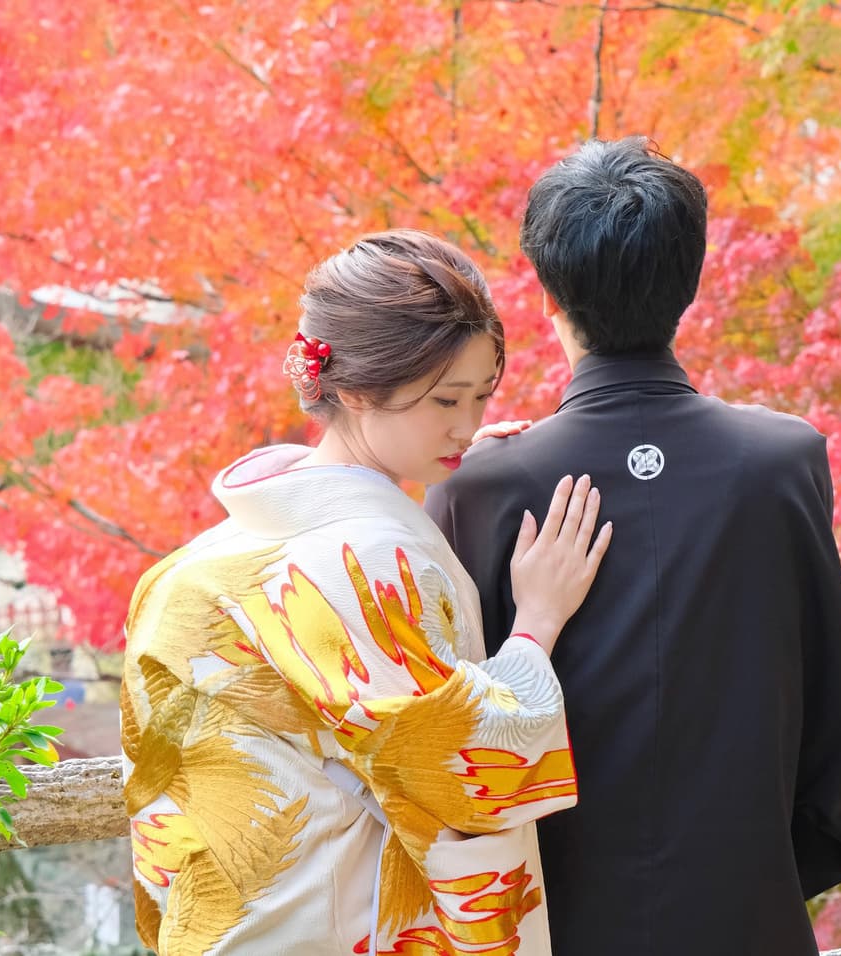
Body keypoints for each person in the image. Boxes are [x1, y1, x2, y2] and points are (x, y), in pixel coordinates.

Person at [425, 138, 841, 954]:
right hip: (747, 906)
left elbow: (459, 746)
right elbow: (833, 708)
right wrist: (755, 874)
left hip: (561, 920)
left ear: (546, 294)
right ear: (690, 281)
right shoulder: (784, 462)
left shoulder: (481, 490)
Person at [120, 229, 612, 955]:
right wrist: (536, 624)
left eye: (480, 395)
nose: (469, 425)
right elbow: (455, 765)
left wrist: (433, 453)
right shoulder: (366, 559)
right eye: (445, 400)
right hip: (326, 921)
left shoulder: (212, 556)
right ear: (353, 390)